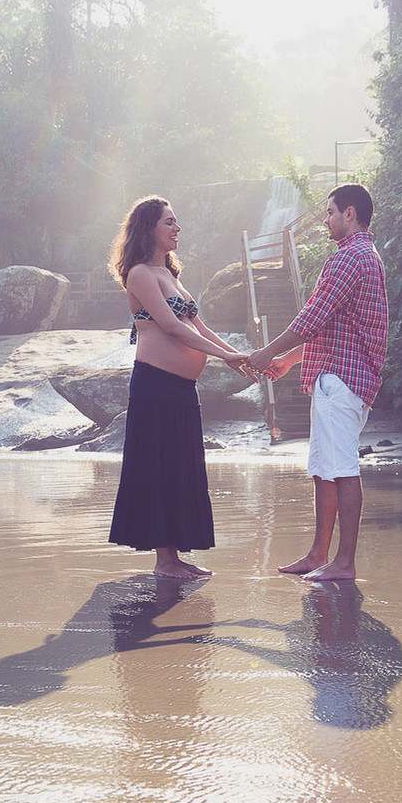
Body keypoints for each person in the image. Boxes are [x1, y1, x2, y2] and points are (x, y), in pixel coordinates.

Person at [241, 183, 388, 582]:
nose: (325, 220)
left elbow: (311, 318)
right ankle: (319, 554)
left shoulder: (351, 258)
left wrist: (266, 353)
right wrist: (288, 360)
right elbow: (333, 328)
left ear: (349, 214)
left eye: (330, 212)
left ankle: (344, 562)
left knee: (342, 469)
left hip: (343, 379)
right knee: (324, 469)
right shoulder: (361, 256)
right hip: (336, 375)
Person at [107, 194, 247, 580]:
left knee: (181, 468)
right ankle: (164, 561)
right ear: (148, 228)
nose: (177, 228)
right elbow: (170, 326)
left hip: (183, 390)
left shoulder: (170, 274)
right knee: (159, 469)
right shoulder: (140, 273)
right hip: (154, 385)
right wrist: (227, 357)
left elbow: (199, 327)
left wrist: (237, 356)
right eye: (169, 222)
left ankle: (176, 557)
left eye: (175, 221)